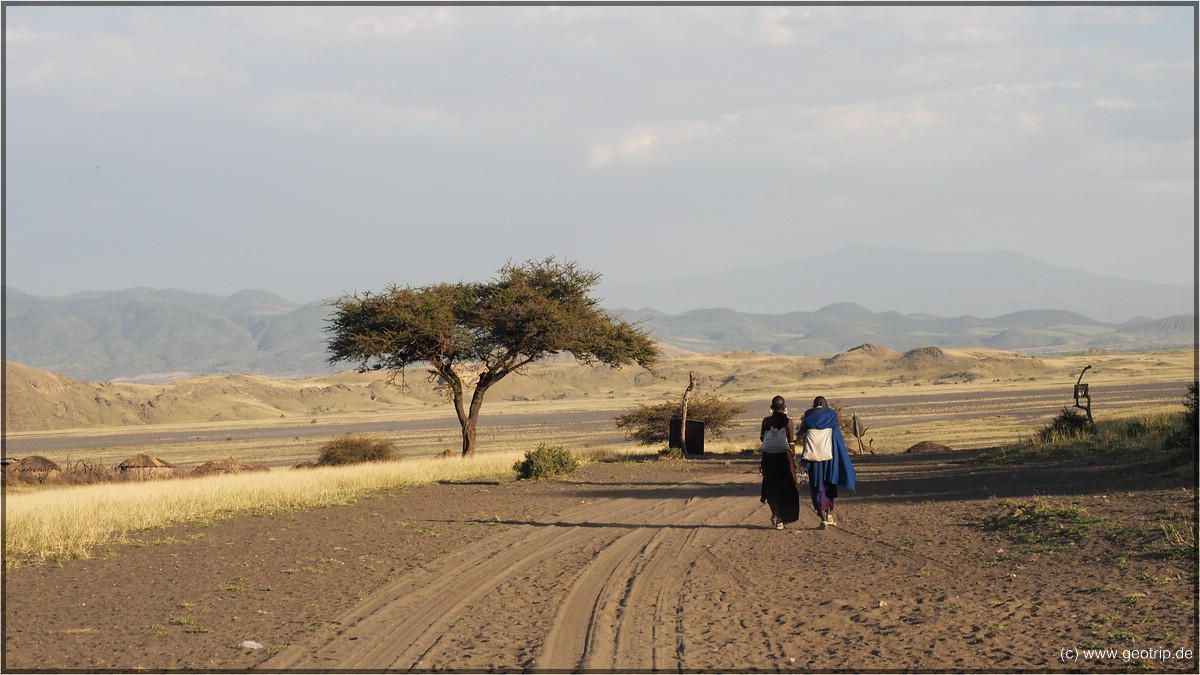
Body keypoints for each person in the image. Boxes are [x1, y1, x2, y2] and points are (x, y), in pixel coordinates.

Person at [798, 396, 857, 529]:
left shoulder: (808, 415)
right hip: (830, 457)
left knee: (816, 485)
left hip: (813, 458)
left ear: (814, 406)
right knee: (829, 483)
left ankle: (823, 518)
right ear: (825, 405)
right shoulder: (831, 415)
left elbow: (806, 425)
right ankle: (829, 514)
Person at [758, 395, 800, 530]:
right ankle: (781, 518)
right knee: (785, 487)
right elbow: (791, 442)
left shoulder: (766, 421)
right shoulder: (788, 422)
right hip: (784, 459)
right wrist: (793, 459)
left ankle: (775, 514)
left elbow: (762, 438)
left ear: (771, 408)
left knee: (771, 487)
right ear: (785, 408)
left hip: (769, 458)